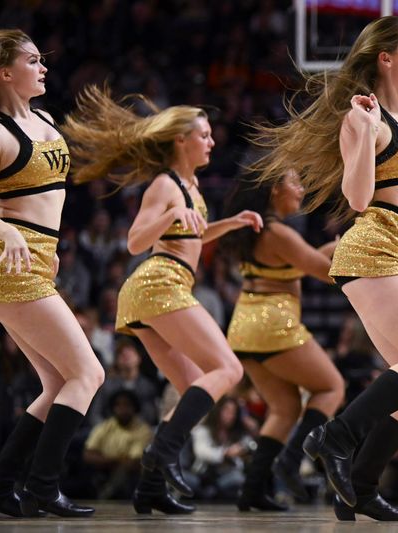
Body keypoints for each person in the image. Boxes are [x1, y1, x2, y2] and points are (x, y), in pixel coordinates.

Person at [250, 15, 398, 521]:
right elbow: (356, 196)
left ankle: (358, 485)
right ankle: (335, 436)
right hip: (373, 249)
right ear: (386, 58)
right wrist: (367, 130)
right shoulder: (362, 119)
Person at [62, 85, 262, 515]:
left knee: (192, 389)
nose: (211, 141)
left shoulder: (189, 184)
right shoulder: (164, 185)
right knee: (228, 368)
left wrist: (229, 223)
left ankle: (149, 486)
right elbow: (135, 242)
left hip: (158, 290)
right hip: (159, 283)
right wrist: (171, 214)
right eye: (204, 135)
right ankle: (160, 453)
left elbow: (192, 234)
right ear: (180, 140)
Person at [0, 29, 104, 518]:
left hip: (41, 259)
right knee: (88, 372)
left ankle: (4, 484)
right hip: (11, 265)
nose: (43, 68)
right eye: (33, 60)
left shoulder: (42, 117)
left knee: (59, 383)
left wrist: (47, 246)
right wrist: (6, 229)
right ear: (4, 72)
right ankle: (43, 485)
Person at [219, 173, 344, 511]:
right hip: (273, 324)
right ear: (275, 189)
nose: (302, 190)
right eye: (296, 183)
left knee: (285, 408)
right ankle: (290, 461)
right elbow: (327, 272)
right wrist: (343, 247)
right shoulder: (278, 232)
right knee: (332, 387)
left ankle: (253, 490)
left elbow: (292, 266)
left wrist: (327, 251)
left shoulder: (259, 231)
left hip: (245, 327)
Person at [83, 389, 153, 499]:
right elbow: (88, 454)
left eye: (127, 405)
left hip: (130, 474)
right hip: (103, 468)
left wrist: (106, 459)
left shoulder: (143, 430)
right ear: (113, 408)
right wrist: (113, 461)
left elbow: (133, 461)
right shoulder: (105, 426)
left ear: (135, 408)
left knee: (124, 472)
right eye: (118, 405)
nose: (122, 409)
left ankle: (106, 494)